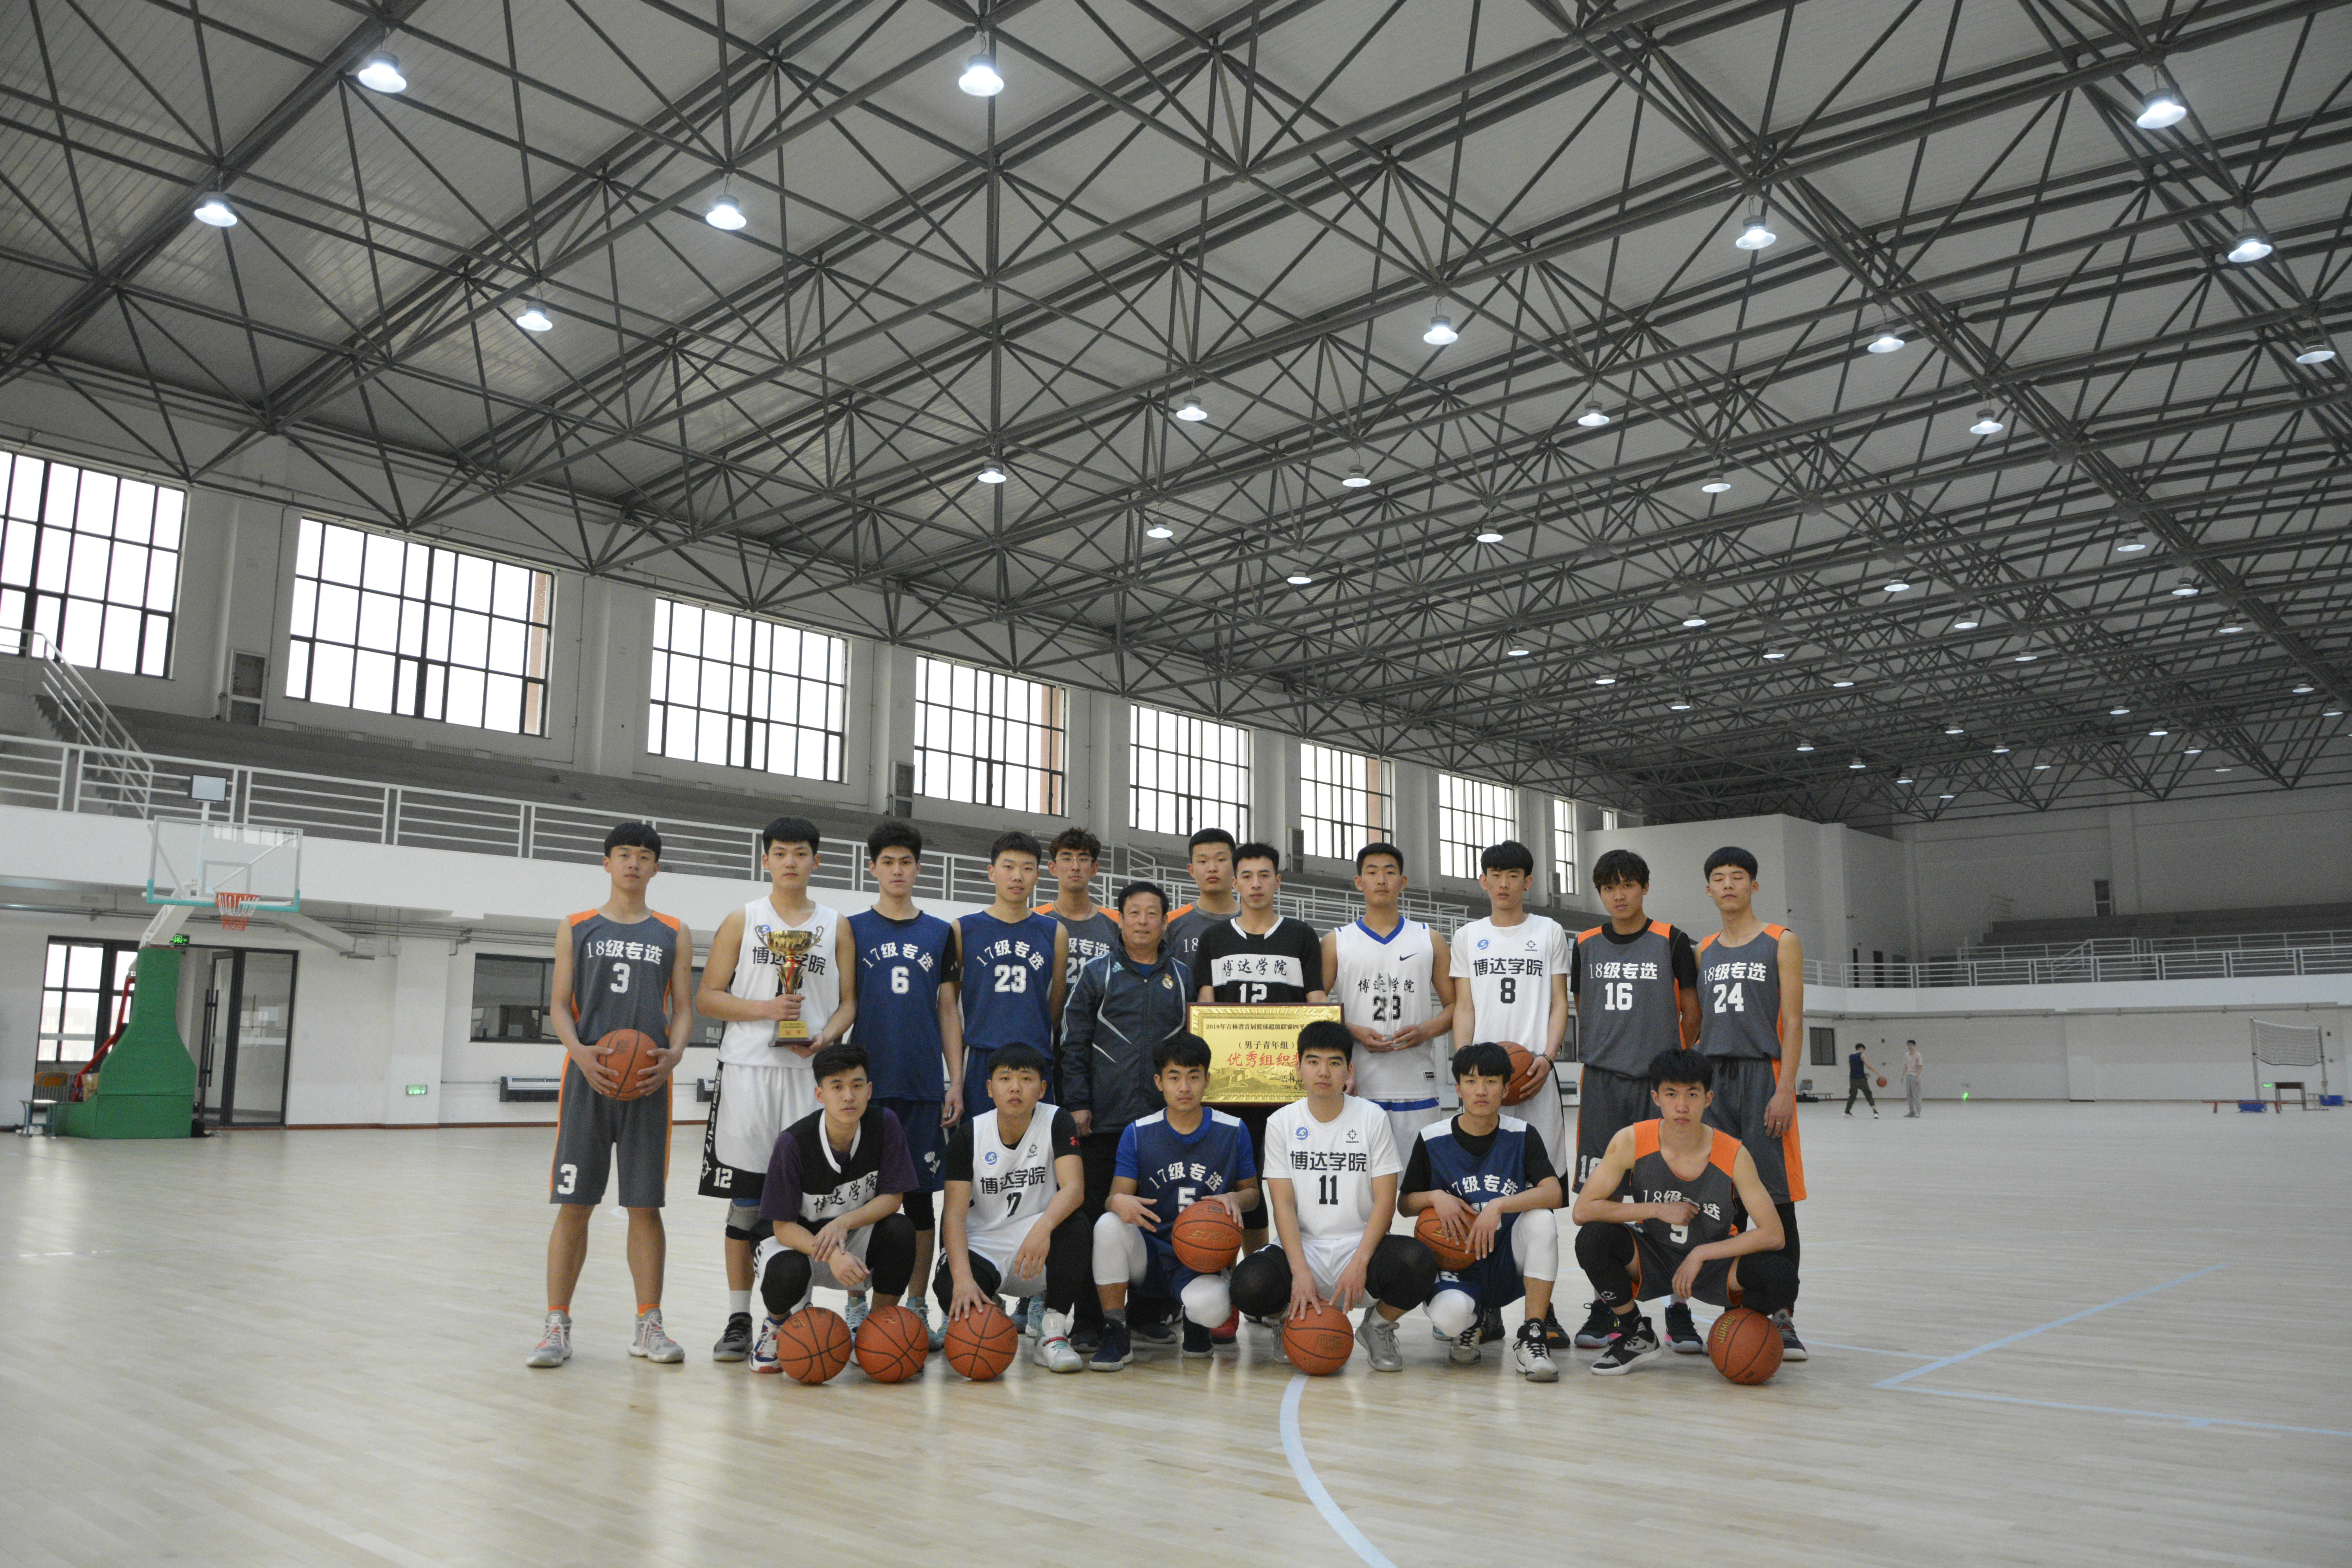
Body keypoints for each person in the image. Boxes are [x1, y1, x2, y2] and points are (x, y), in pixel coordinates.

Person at [528, 822, 695, 1369]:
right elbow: (559, 1004)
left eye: (644, 856)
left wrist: (675, 1054)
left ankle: (649, 1324)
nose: (633, 864)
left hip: (648, 1080)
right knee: (574, 1204)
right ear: (606, 863)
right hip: (589, 1078)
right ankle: (556, 1326)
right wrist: (579, 1052)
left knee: (645, 1205)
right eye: (624, 854)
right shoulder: (576, 926)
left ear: (656, 868)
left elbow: (685, 1009)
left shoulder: (674, 930)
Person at [695, 815, 855, 1363]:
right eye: (781, 852)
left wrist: (826, 1038)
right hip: (748, 1072)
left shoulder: (836, 925)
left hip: (808, 1078)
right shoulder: (743, 919)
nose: (791, 861)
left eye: (801, 852)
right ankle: (739, 1317)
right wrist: (767, 1009)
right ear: (765, 859)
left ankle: (786, 1318)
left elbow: (849, 1002)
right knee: (746, 1203)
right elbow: (708, 997)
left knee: (802, 1203)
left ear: (816, 861)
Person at [1568, 1049, 1797, 1374]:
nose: (1682, 1106)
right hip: (1653, 1256)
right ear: (1656, 1098)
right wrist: (1657, 1210)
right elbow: (1583, 1211)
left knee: (1781, 1277)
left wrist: (1701, 1254)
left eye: (1692, 1094)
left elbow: (1774, 1234)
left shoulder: (1734, 1153)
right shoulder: (1632, 1140)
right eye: (1671, 1094)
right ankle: (1636, 1333)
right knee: (1593, 1239)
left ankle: (1732, 1330)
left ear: (1708, 1099)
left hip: (1713, 1264)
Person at [1230, 1020, 1440, 1372]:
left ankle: (1377, 1327)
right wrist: (1299, 1271)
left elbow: (1385, 1201)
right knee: (1247, 1285)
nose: (1323, 1072)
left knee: (1419, 1261)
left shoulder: (1372, 1118)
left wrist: (1359, 1262)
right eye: (1313, 1062)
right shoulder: (1281, 1122)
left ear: (1349, 1070)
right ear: (1299, 1068)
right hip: (1304, 1246)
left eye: (1334, 1062)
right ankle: (1288, 1320)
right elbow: (1282, 1204)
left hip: (1360, 1244)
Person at [1566, 847, 1700, 1350]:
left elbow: (1691, 1012)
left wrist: (1670, 1069)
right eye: (1608, 887)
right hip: (1603, 1082)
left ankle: (1678, 1306)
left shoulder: (1672, 939)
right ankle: (1609, 1303)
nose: (1619, 895)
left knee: (1667, 1192)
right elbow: (1585, 1008)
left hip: (1656, 1086)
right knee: (1605, 1195)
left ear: (1644, 886)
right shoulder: (1584, 944)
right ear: (1600, 893)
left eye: (1627, 884)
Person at [1058, 879, 1194, 1352]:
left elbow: (1194, 1048)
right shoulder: (1097, 973)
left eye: (1152, 913)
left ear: (1164, 921)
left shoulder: (1183, 976)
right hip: (1103, 1121)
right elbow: (1074, 1041)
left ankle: (1145, 1314)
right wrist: (1078, 1102)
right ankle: (1088, 1321)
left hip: (1161, 1125)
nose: (1142, 921)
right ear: (1120, 919)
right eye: (1134, 912)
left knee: (1154, 1218)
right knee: (1095, 1219)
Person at [1449, 839, 1573, 1347]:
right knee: (1484, 1194)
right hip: (1483, 1084)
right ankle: (1487, 1305)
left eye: (1514, 875)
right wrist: (1464, 1066)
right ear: (1483, 880)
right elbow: (1464, 1007)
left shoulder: (1549, 932)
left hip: (1534, 1079)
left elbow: (1560, 1001)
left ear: (1528, 881)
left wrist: (1547, 1056)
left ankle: (1542, 1312)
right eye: (1495, 874)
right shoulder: (1467, 936)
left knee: (1540, 1198)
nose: (1503, 883)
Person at [848, 820, 963, 1349]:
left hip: (921, 1086)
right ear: (872, 867)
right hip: (864, 1090)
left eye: (906, 862)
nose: (897, 871)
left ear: (919, 868)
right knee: (860, 1199)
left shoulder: (940, 932)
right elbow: (845, 1004)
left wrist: (954, 1080)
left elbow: (948, 1009)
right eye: (888, 862)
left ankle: (916, 1305)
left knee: (919, 1204)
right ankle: (857, 1301)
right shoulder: (851, 929)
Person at [1694, 845, 1809, 1360]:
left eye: (1737, 877)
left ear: (1754, 886)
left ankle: (1782, 1313)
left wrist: (1786, 1087)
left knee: (1775, 1198)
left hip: (1764, 1076)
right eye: (1719, 878)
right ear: (1709, 889)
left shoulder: (1781, 941)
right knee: (1723, 1199)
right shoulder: (1704, 950)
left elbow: (1795, 1020)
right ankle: (1737, 1306)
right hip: (1715, 1081)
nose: (1728, 885)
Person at [1089, 1033, 1259, 1369]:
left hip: (1202, 1257)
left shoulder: (1234, 1130)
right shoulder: (1138, 1132)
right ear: (1159, 1083)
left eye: (1194, 1077)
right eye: (1174, 1077)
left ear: (1207, 1080)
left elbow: (1253, 1195)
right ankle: (1116, 1330)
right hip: (1150, 1254)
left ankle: (1197, 1324)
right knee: (1108, 1225)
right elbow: (1115, 1198)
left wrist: (1235, 1198)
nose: (1185, 1087)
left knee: (1213, 1307)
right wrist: (1118, 1203)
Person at [747, 1044, 920, 1372]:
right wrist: (831, 1256)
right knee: (788, 1271)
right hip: (796, 1243)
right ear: (820, 1094)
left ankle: (875, 1332)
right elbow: (783, 1227)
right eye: (837, 1087)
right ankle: (775, 1325)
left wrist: (844, 1223)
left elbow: (893, 1198)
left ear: (870, 1091)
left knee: (901, 1231)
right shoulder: (793, 1143)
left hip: (850, 1239)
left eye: (857, 1085)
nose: (849, 1096)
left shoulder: (885, 1125)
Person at [1399, 1042, 1563, 1383]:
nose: (1481, 1091)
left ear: (1505, 1089)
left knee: (1542, 1219)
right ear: (1458, 1088)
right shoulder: (1432, 1138)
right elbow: (1405, 1204)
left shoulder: (1522, 1135)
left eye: (1491, 1082)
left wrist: (1499, 1205)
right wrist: (1435, 1197)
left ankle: (1532, 1335)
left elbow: (1554, 1193)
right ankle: (1470, 1323)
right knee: (1450, 1318)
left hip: (1505, 1258)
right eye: (1471, 1081)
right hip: (1455, 1263)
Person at [936, 1044, 1089, 1373]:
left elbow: (1074, 1189)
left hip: (1036, 1238)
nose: (1015, 1088)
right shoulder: (970, 1135)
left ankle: (1052, 1331)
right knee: (950, 1289)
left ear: (1042, 1089)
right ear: (990, 1088)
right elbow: (954, 1215)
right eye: (1005, 1079)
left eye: (1026, 1079)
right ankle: (992, 1309)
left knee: (1077, 1227)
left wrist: (1043, 1228)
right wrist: (962, 1280)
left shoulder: (1057, 1121)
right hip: (983, 1244)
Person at [1323, 842, 1455, 1151]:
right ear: (1359, 882)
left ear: (1403, 882)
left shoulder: (1430, 939)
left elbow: (1456, 1006)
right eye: (1372, 872)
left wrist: (1425, 1031)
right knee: (1360, 1179)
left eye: (1390, 872)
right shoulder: (1336, 941)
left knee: (1418, 1178)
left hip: (1417, 1084)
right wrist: (1351, 1030)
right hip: (1356, 1085)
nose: (1381, 880)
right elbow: (1313, 1007)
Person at [956, 831, 1066, 1123]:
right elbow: (949, 1006)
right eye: (1008, 867)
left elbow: (1055, 1008)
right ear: (992, 872)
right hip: (981, 1057)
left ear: (1038, 876)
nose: (1018, 876)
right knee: (979, 1145)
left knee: (1037, 1147)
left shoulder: (1055, 932)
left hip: (1035, 1057)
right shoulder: (963, 930)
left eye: (1027, 868)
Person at [1039, 827, 1122, 978]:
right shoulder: (1035, 919)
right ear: (1053, 868)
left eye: (1083, 859)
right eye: (1066, 859)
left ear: (1094, 869)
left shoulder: (1117, 923)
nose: (1075, 867)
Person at [1165, 827, 1240, 975]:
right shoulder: (1171, 924)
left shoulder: (1254, 922)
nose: (1212, 868)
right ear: (1192, 870)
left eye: (1221, 860)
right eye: (1203, 861)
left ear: (1235, 866)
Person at [1846, 1042, 1881, 1118]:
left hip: (1853, 1079)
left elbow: (1852, 1068)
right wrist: (1878, 1074)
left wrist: (1864, 1073)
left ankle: (1847, 1112)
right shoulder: (1862, 1055)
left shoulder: (1851, 1056)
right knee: (1869, 1095)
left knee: (1853, 1096)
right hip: (1861, 1079)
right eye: (1864, 1050)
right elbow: (1869, 1066)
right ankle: (1875, 1112)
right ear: (1862, 1049)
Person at [1903, 1039, 1925, 1118]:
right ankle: (1911, 1112)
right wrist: (1903, 1076)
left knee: (1916, 1095)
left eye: (1911, 1045)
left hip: (1915, 1076)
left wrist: (1918, 1077)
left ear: (1915, 1046)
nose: (1910, 1047)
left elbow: (1920, 1067)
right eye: (1909, 1045)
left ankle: (1918, 1112)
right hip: (1908, 1075)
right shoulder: (1906, 1055)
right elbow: (1906, 1066)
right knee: (1909, 1095)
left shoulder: (1918, 1055)